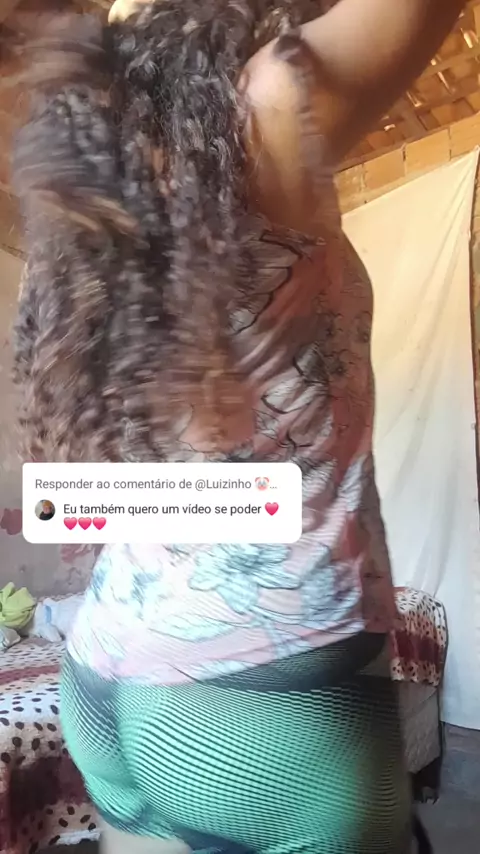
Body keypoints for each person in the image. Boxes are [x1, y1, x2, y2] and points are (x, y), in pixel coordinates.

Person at [13, 0, 465, 852]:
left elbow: (70, 501)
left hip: (104, 672)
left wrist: (250, 495)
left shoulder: (84, 211)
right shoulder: (264, 111)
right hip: (263, 693)